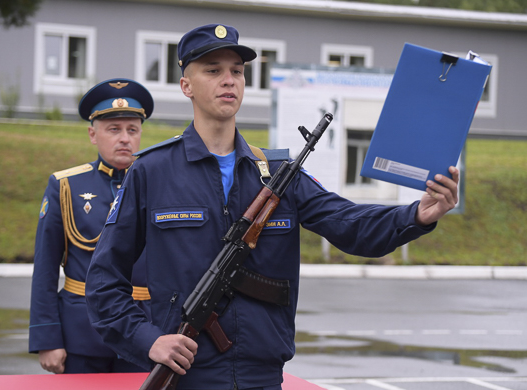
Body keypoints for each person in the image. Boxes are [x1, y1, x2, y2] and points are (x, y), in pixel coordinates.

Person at [85, 24, 459, 389]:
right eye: (213, 71)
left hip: (262, 377)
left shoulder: (276, 174)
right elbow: (103, 281)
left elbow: (349, 223)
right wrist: (147, 340)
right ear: (186, 85)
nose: (228, 80)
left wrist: (416, 215)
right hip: (189, 375)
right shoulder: (152, 171)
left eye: (237, 71)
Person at [29, 78, 154, 374]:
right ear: (92, 134)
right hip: (83, 333)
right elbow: (45, 268)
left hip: (146, 330)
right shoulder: (66, 185)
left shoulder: (160, 184)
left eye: (132, 130)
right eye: (114, 129)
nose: (125, 138)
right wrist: (47, 338)